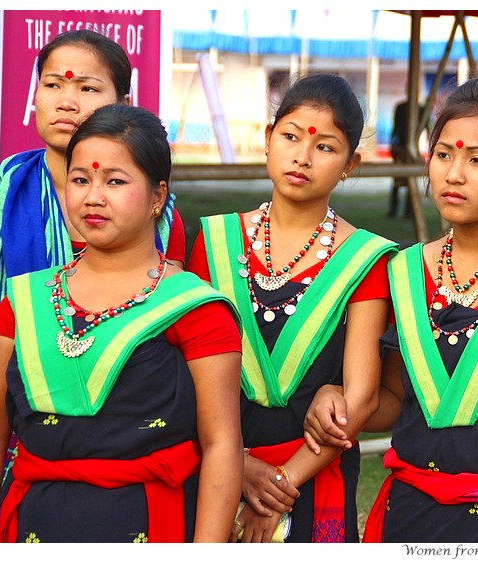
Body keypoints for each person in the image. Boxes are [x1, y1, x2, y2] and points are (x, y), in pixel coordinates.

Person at [0, 104, 244, 542]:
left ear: (157, 197)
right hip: (31, 527)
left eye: (114, 181)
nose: (93, 196)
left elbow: (221, 446)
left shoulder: (195, 308)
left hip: (150, 528)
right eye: (80, 179)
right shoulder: (26, 301)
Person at [303, 76, 478, 543]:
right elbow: (394, 403)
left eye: (477, 160)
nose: (454, 174)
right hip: (409, 508)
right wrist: (334, 396)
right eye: (443, 155)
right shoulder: (404, 271)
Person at [187, 72, 398, 543]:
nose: (302, 156)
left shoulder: (366, 260)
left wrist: (282, 484)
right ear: (268, 139)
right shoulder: (214, 242)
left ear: (350, 164)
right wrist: (237, 466)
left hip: (313, 475)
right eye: (290, 136)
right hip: (220, 465)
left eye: (325, 147)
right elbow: (185, 376)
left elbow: (361, 397)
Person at [0, 29, 188, 441]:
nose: (66, 101)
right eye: (52, 85)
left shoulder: (159, 219)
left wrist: (8, 343)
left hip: (117, 430)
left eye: (87, 87)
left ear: (123, 105)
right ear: (34, 98)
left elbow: (149, 351)